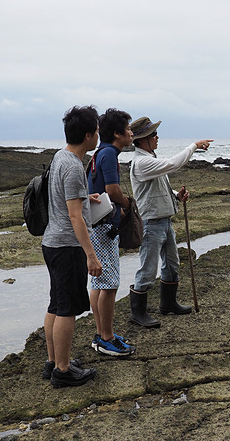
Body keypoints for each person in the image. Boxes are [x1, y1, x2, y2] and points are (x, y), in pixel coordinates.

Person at [128, 116, 212, 326]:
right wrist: (194, 146)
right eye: (153, 134)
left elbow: (160, 187)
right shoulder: (142, 162)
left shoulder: (150, 158)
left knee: (172, 264)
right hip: (151, 223)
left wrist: (176, 195)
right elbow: (173, 164)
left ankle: (168, 304)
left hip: (164, 222)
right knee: (148, 269)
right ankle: (138, 314)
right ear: (142, 140)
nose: (157, 137)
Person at [41, 105, 102, 388]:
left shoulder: (60, 157)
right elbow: (75, 216)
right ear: (88, 135)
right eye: (97, 131)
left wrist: (85, 197)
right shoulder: (75, 167)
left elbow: (64, 199)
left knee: (56, 303)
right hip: (67, 246)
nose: (98, 135)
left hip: (51, 242)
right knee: (66, 309)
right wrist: (91, 255)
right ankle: (63, 371)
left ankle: (53, 362)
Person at [87, 108, 136, 356]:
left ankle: (102, 333)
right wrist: (126, 205)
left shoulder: (99, 153)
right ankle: (106, 338)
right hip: (104, 227)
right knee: (109, 284)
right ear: (117, 133)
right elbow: (113, 190)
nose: (131, 133)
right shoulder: (109, 154)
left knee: (99, 282)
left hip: (96, 226)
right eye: (128, 129)